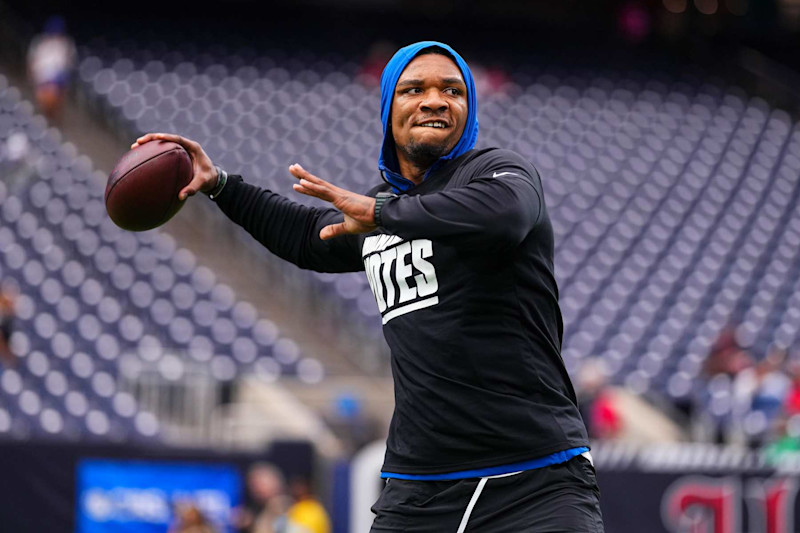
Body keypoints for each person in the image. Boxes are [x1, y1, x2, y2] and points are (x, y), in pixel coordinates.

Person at [134, 40, 603, 532]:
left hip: (535, 478)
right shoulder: (383, 206)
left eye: (452, 90)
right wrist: (221, 185)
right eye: (413, 89)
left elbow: (504, 216)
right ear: (388, 108)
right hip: (420, 488)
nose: (435, 100)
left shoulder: (497, 171)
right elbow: (307, 237)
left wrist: (381, 212)